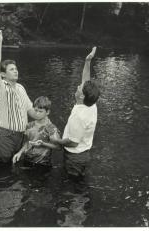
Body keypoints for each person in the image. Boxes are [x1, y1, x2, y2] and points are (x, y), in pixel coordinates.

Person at [0, 24, 40, 164]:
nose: (16, 71)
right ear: (3, 74)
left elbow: (32, 112)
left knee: (15, 167)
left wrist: (45, 118)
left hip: (21, 137)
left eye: (16, 68)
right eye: (12, 69)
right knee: (2, 168)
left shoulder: (20, 88)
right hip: (5, 136)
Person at [50, 47, 100, 178]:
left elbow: (73, 142)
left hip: (75, 158)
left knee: (72, 190)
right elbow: (86, 81)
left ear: (82, 96)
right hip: (83, 154)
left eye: (80, 88)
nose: (78, 86)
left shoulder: (79, 116)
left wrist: (56, 140)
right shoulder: (91, 104)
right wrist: (87, 61)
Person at [12, 96, 61, 168]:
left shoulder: (51, 128)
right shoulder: (29, 125)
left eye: (40, 111)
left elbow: (58, 147)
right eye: (36, 110)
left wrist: (43, 144)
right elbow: (28, 142)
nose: (37, 113)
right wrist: (19, 153)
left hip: (43, 163)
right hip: (28, 160)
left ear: (47, 112)